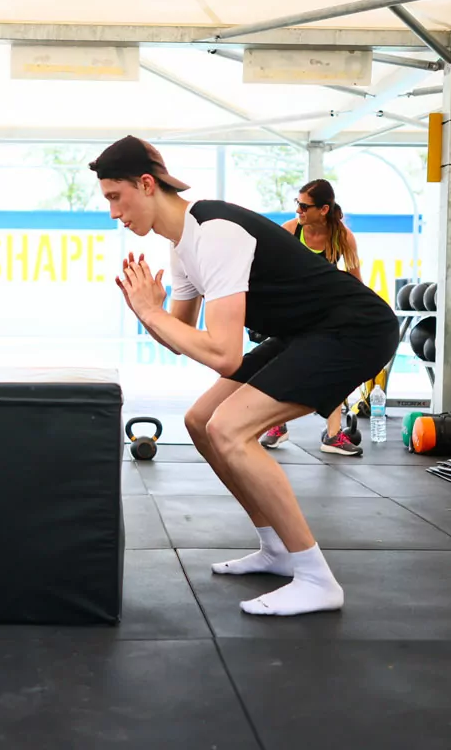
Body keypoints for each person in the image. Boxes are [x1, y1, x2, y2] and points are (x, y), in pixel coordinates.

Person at [93, 136, 398, 617]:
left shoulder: (215, 232)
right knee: (201, 419)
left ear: (146, 184)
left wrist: (153, 315)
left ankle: (316, 578)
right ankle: (275, 548)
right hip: (307, 332)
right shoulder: (182, 246)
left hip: (354, 329)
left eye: (115, 197)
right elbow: (181, 336)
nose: (114, 212)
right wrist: (147, 313)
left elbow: (225, 355)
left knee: (229, 429)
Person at [258, 179, 366, 456]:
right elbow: (272, 273)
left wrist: (362, 315)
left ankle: (332, 435)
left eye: (305, 207)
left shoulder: (343, 238)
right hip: (292, 310)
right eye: (298, 205)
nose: (299, 211)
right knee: (279, 366)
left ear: (324, 209)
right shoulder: (290, 231)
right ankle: (277, 426)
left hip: (325, 313)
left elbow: (356, 283)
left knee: (336, 367)